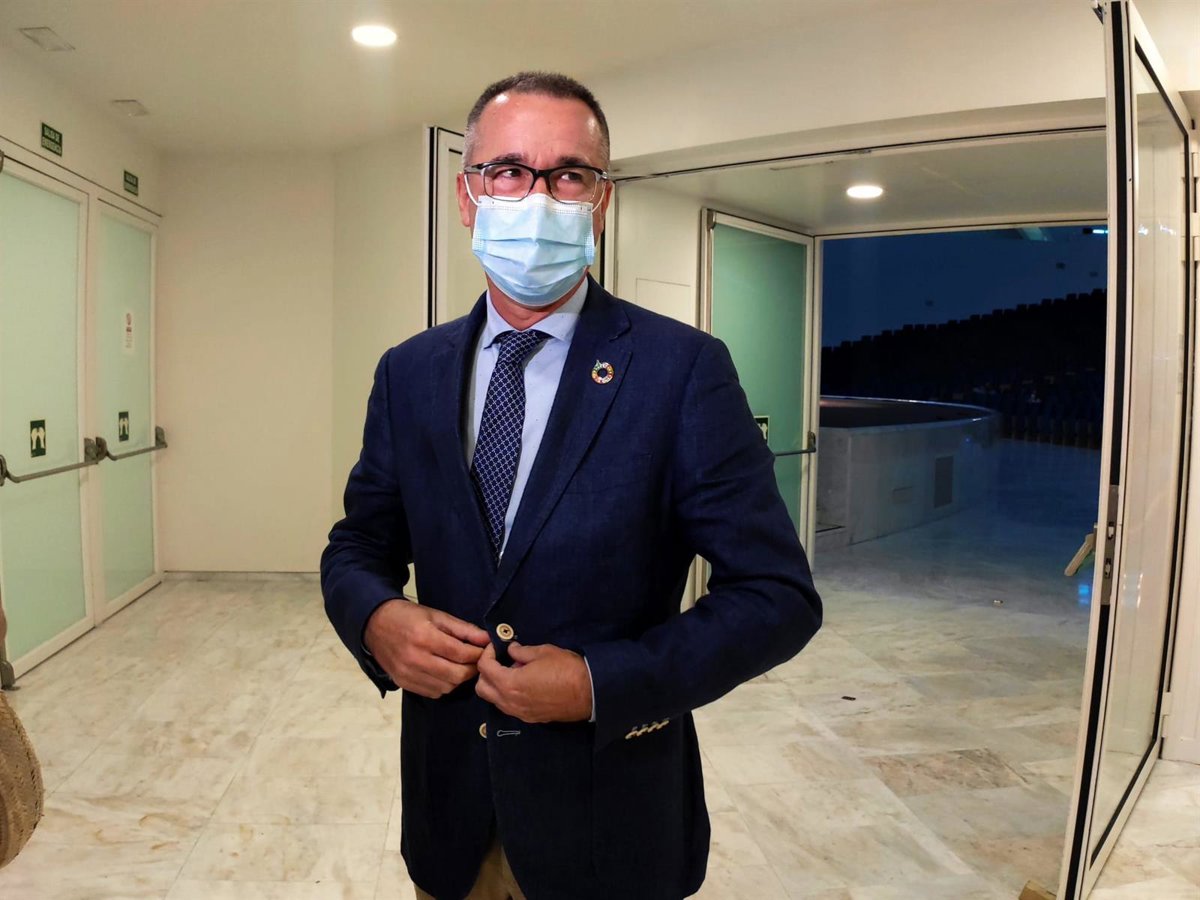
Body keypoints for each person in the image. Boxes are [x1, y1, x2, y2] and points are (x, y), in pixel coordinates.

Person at [322, 71, 821, 900]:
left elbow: (777, 597)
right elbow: (358, 545)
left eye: (568, 175)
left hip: (610, 824)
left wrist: (601, 682)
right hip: (451, 816)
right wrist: (375, 618)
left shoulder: (682, 370)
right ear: (467, 197)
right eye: (509, 171)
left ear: (600, 201)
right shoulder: (409, 372)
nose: (537, 196)